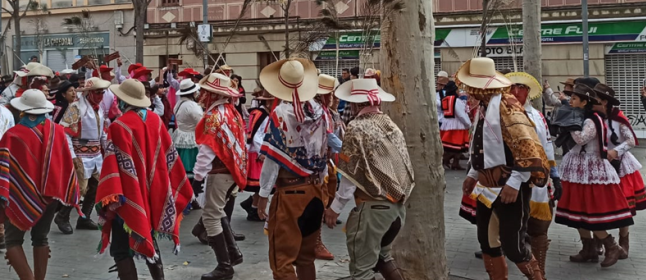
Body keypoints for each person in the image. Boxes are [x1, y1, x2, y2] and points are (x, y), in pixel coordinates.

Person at [459, 58, 550, 279]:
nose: (468, 90)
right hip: (486, 185)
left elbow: (526, 147)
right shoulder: (485, 106)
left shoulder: (507, 105)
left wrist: (515, 182)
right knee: (487, 241)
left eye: (472, 85)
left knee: (513, 246)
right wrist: (473, 173)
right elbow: (480, 146)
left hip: (509, 186)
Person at [94, 79, 193, 280]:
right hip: (155, 190)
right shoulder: (156, 120)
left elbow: (113, 165)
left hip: (128, 192)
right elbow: (170, 156)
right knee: (149, 235)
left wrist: (112, 196)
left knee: (121, 248)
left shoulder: (119, 126)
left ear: (122, 100)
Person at [322, 78, 413, 280]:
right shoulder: (390, 124)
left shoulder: (357, 127)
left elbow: (350, 173)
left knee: (361, 270)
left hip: (373, 208)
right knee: (383, 257)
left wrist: (335, 208)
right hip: (396, 208)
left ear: (356, 103)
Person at [256, 58, 327, 280]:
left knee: (282, 261)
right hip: (315, 190)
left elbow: (272, 159)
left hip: (290, 194)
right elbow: (325, 151)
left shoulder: (281, 113)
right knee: (306, 258)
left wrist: (262, 195)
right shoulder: (319, 111)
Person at [0, 89, 80, 280]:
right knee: (40, 238)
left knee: (13, 240)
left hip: (17, 196)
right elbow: (65, 164)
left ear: (22, 111)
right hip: (49, 196)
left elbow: (4, 169)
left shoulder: (12, 135)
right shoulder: (57, 131)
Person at [554, 83, 633, 268]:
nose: (570, 101)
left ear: (584, 102)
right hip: (576, 169)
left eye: (574, 98)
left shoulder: (592, 119)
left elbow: (581, 138)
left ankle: (611, 245)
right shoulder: (581, 116)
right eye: (571, 97)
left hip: (591, 169)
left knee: (590, 212)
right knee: (577, 211)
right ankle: (588, 248)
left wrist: (570, 125)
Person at [505, 72, 562, 276]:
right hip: (509, 182)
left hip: (536, 182)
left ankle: (540, 273)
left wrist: (554, 176)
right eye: (512, 87)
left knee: (539, 229)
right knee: (508, 232)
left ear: (528, 92)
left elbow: (547, 147)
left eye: (521, 87)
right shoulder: (502, 113)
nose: (516, 91)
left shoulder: (537, 116)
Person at [191, 73, 246, 280]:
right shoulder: (231, 111)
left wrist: (197, 179)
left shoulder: (214, 117)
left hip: (219, 172)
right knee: (218, 210)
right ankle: (232, 252)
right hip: (232, 171)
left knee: (211, 215)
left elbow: (207, 150)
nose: (201, 95)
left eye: (204, 92)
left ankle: (224, 266)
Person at [54, 77, 111, 234]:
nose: (100, 96)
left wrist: (108, 150)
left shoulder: (98, 108)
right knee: (77, 188)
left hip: (96, 154)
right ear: (89, 93)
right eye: (97, 93)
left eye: (102, 93)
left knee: (95, 187)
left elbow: (102, 134)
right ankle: (62, 216)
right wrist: (72, 155)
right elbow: (64, 133)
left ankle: (84, 218)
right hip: (80, 153)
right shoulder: (75, 108)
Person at [594, 83, 644, 259]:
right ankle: (599, 242)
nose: (593, 101)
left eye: (597, 99)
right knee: (598, 204)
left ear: (605, 101)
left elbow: (631, 140)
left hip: (619, 165)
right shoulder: (593, 118)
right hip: (600, 166)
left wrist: (615, 151)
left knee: (624, 206)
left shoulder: (618, 118)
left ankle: (624, 241)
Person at [239, 89, 274, 222]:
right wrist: (262, 152)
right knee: (262, 184)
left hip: (262, 151)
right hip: (258, 152)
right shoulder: (261, 114)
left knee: (264, 184)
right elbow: (256, 136)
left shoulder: (263, 113)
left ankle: (251, 205)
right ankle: (254, 209)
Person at [173, 79, 203, 184]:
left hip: (180, 135)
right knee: (190, 165)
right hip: (191, 137)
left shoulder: (179, 103)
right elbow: (200, 122)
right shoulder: (192, 106)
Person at [440, 80, 470, 170]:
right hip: (457, 125)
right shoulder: (456, 101)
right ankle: (447, 161)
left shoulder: (445, 99)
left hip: (447, 124)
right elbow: (461, 114)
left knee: (451, 147)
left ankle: (453, 163)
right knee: (456, 146)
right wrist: (468, 123)